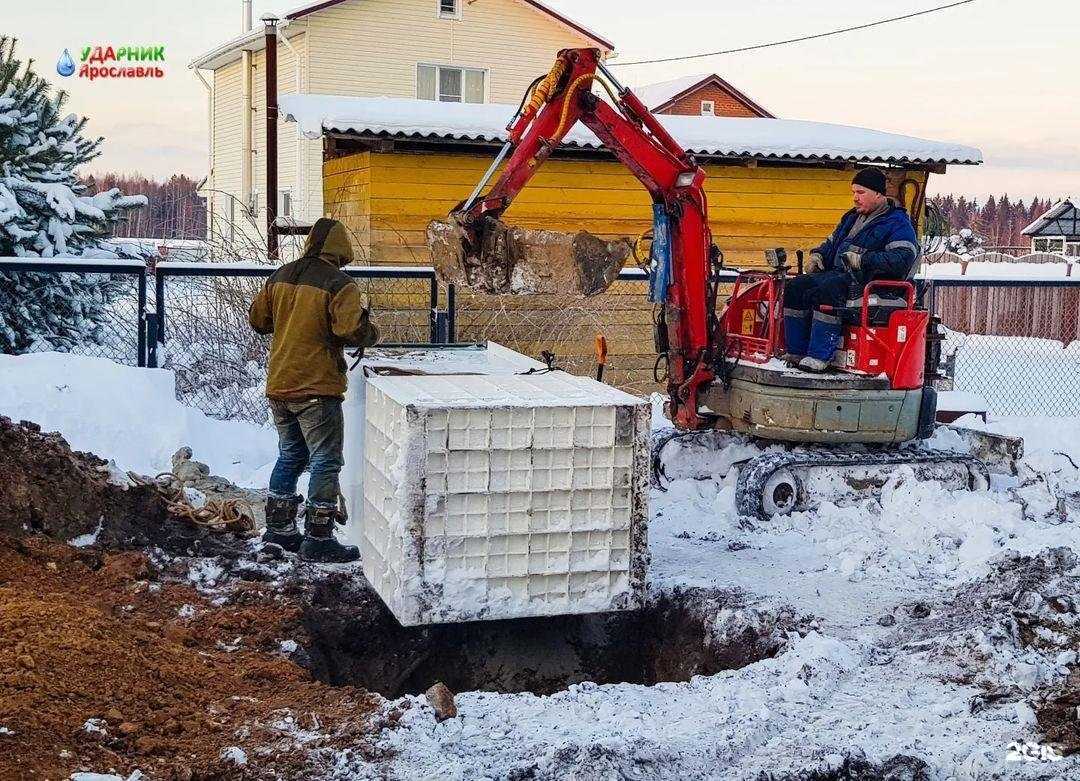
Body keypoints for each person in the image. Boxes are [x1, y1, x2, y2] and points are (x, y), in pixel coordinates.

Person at [248, 217, 379, 562]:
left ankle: (279, 531)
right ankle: (319, 538)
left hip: (279, 383)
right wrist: (370, 331)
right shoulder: (339, 283)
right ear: (341, 249)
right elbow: (350, 329)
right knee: (325, 460)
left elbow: (258, 321)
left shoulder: (280, 276)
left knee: (290, 455)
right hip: (317, 387)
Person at [782, 167, 920, 372]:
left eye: (861, 192)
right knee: (796, 286)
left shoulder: (897, 223)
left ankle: (820, 356)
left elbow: (902, 259)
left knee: (828, 288)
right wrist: (818, 255)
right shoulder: (850, 218)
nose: (855, 198)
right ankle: (796, 351)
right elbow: (831, 243)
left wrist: (864, 260)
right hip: (841, 275)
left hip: (869, 282)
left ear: (879, 194)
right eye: (854, 192)